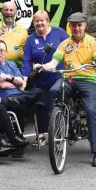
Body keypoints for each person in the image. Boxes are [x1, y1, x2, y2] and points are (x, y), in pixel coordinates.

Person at [36, 12, 96, 167]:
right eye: (73, 25)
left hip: (88, 80)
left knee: (90, 111)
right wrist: (45, 66)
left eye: (79, 25)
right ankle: (63, 117)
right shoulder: (65, 44)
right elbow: (55, 61)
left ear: (85, 26)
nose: (76, 28)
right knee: (54, 90)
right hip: (69, 79)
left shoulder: (93, 42)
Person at [21, 10, 69, 146]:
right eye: (36, 21)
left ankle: (60, 134)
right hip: (40, 79)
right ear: (33, 23)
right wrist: (24, 77)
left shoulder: (59, 33)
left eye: (42, 20)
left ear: (48, 21)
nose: (39, 23)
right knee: (41, 106)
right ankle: (41, 135)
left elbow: (70, 49)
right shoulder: (30, 40)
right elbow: (27, 61)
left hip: (58, 76)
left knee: (58, 104)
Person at [0, 40, 41, 140]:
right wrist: (16, 83)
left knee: (38, 91)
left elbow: (21, 82)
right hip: (4, 96)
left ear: (6, 52)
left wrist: (9, 77)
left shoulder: (11, 64)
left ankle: (19, 132)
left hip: (18, 94)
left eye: (1, 50)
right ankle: (19, 134)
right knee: (22, 103)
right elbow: (2, 85)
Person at [0, 1, 28, 69]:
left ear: (16, 12)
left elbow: (27, 51)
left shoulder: (23, 30)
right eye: (6, 10)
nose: (9, 12)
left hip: (18, 69)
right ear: (1, 12)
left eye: (11, 10)